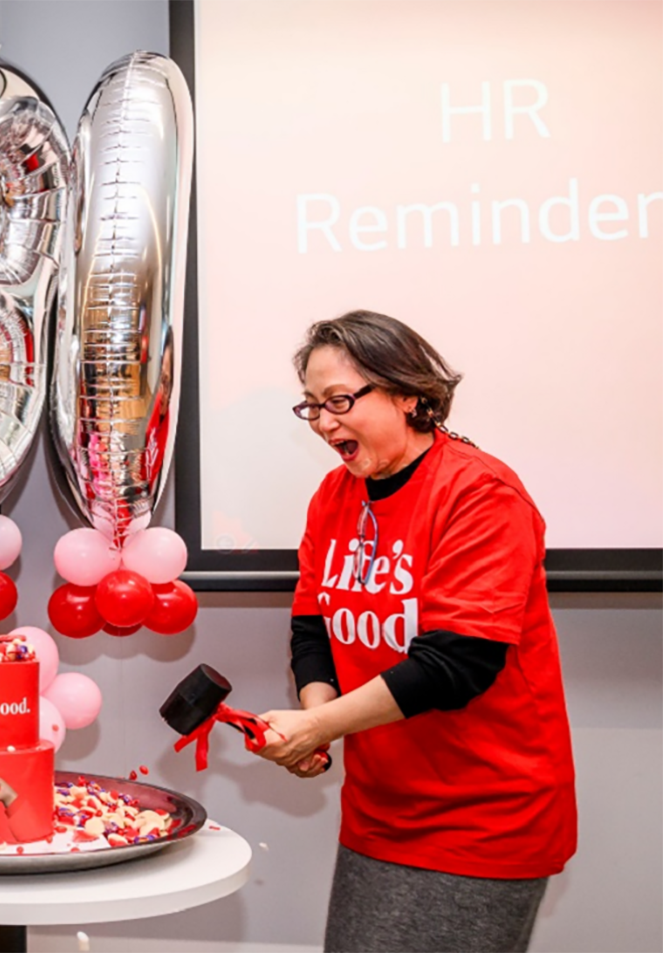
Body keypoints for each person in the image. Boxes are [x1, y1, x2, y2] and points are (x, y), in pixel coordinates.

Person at [255, 310, 576, 953]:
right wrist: (317, 725)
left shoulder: (481, 494)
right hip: (380, 810)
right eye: (312, 406)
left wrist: (322, 726)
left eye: (340, 400)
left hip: (483, 819)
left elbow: (456, 662)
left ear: (409, 395)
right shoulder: (334, 495)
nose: (323, 422)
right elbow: (313, 626)